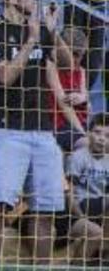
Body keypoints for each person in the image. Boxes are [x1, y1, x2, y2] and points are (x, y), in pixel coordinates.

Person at [0, 0, 68, 264]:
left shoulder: (41, 27)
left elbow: (68, 63)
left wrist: (52, 31)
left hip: (43, 131)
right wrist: (30, 41)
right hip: (7, 131)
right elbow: (4, 76)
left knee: (45, 212)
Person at [55, 113, 109, 264]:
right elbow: (69, 193)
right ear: (88, 134)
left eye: (107, 135)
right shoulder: (78, 157)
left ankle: (101, 255)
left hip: (100, 211)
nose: (101, 138)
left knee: (97, 231)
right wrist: (80, 217)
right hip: (76, 210)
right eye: (97, 132)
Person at [47, 27, 90, 154]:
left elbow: (88, 106)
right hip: (59, 125)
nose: (76, 59)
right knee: (88, 145)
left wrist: (82, 98)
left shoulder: (81, 71)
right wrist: (83, 133)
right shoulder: (52, 68)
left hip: (81, 123)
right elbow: (64, 106)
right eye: (73, 53)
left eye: (80, 55)